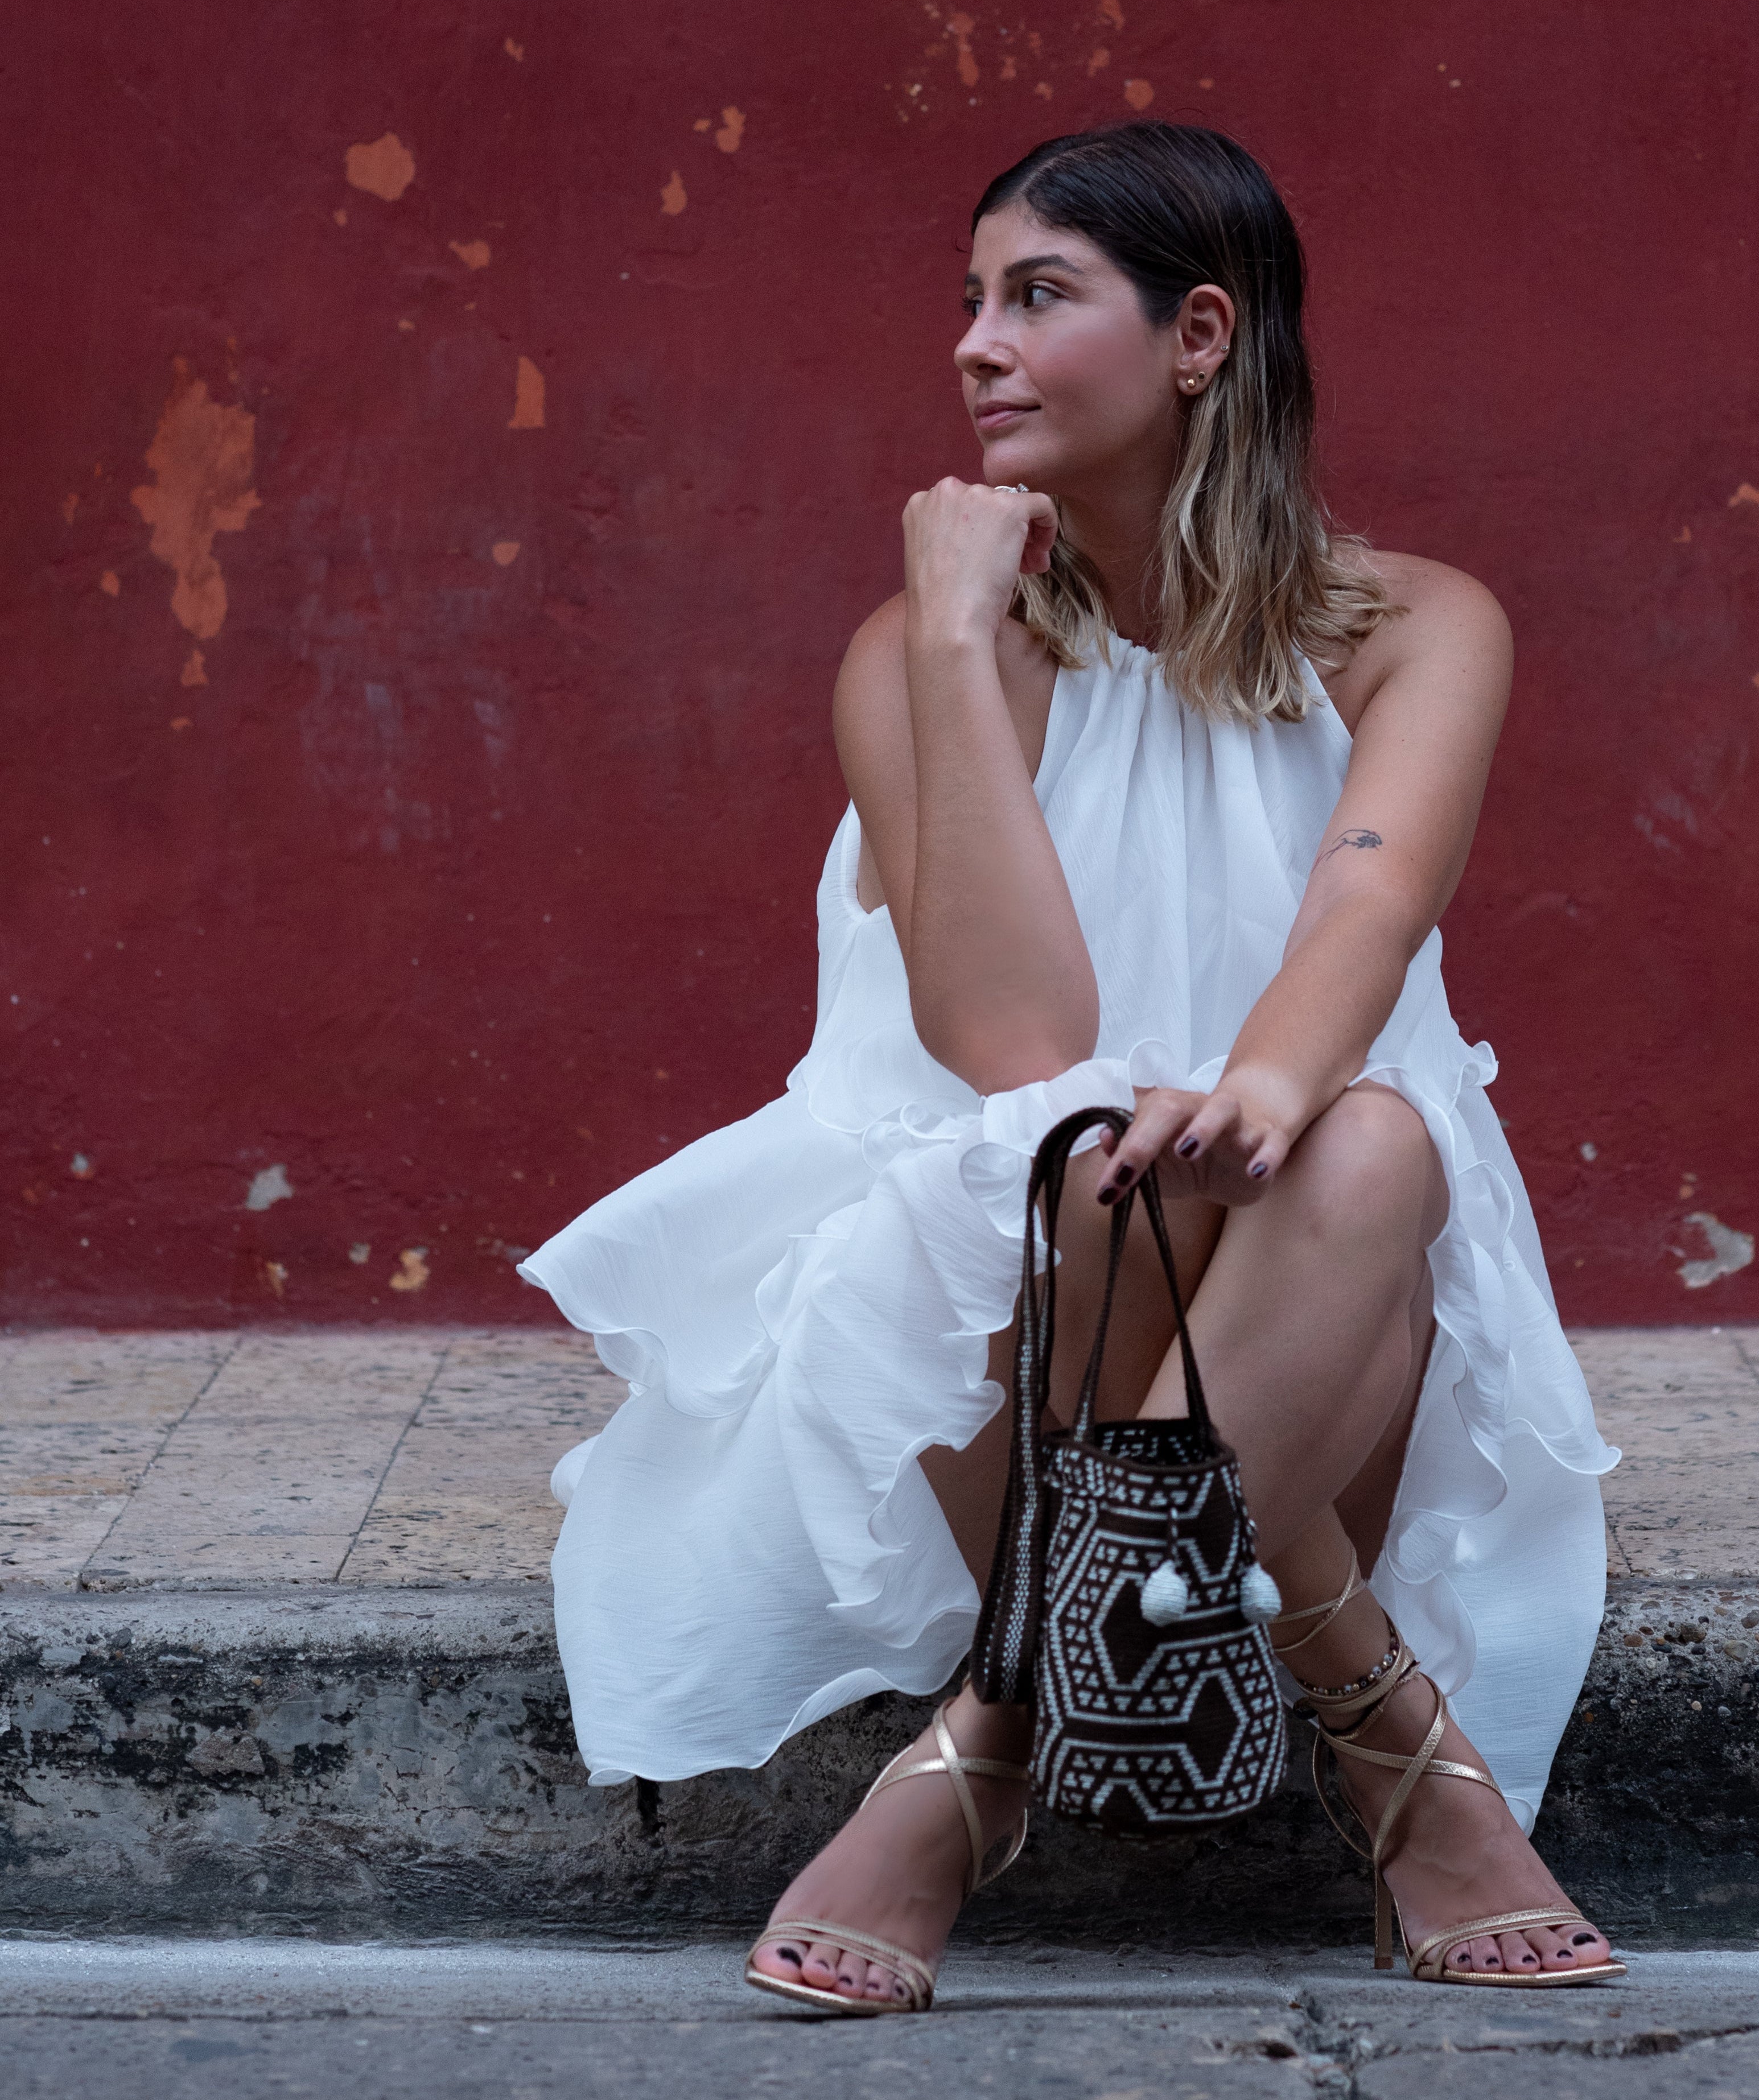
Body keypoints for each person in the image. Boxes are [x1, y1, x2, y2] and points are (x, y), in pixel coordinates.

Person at [519, 119, 1622, 2014]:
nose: (975, 343)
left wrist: (1263, 1094)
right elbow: (1010, 1041)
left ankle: (993, 1734)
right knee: (1095, 1155)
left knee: (1368, 1148)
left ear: (1199, 337)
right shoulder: (914, 652)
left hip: (1323, 1299)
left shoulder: (1420, 629)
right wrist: (959, 642)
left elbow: (1365, 912)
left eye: (1037, 296)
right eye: (970, 300)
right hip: (984, 1322)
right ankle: (1374, 1717)